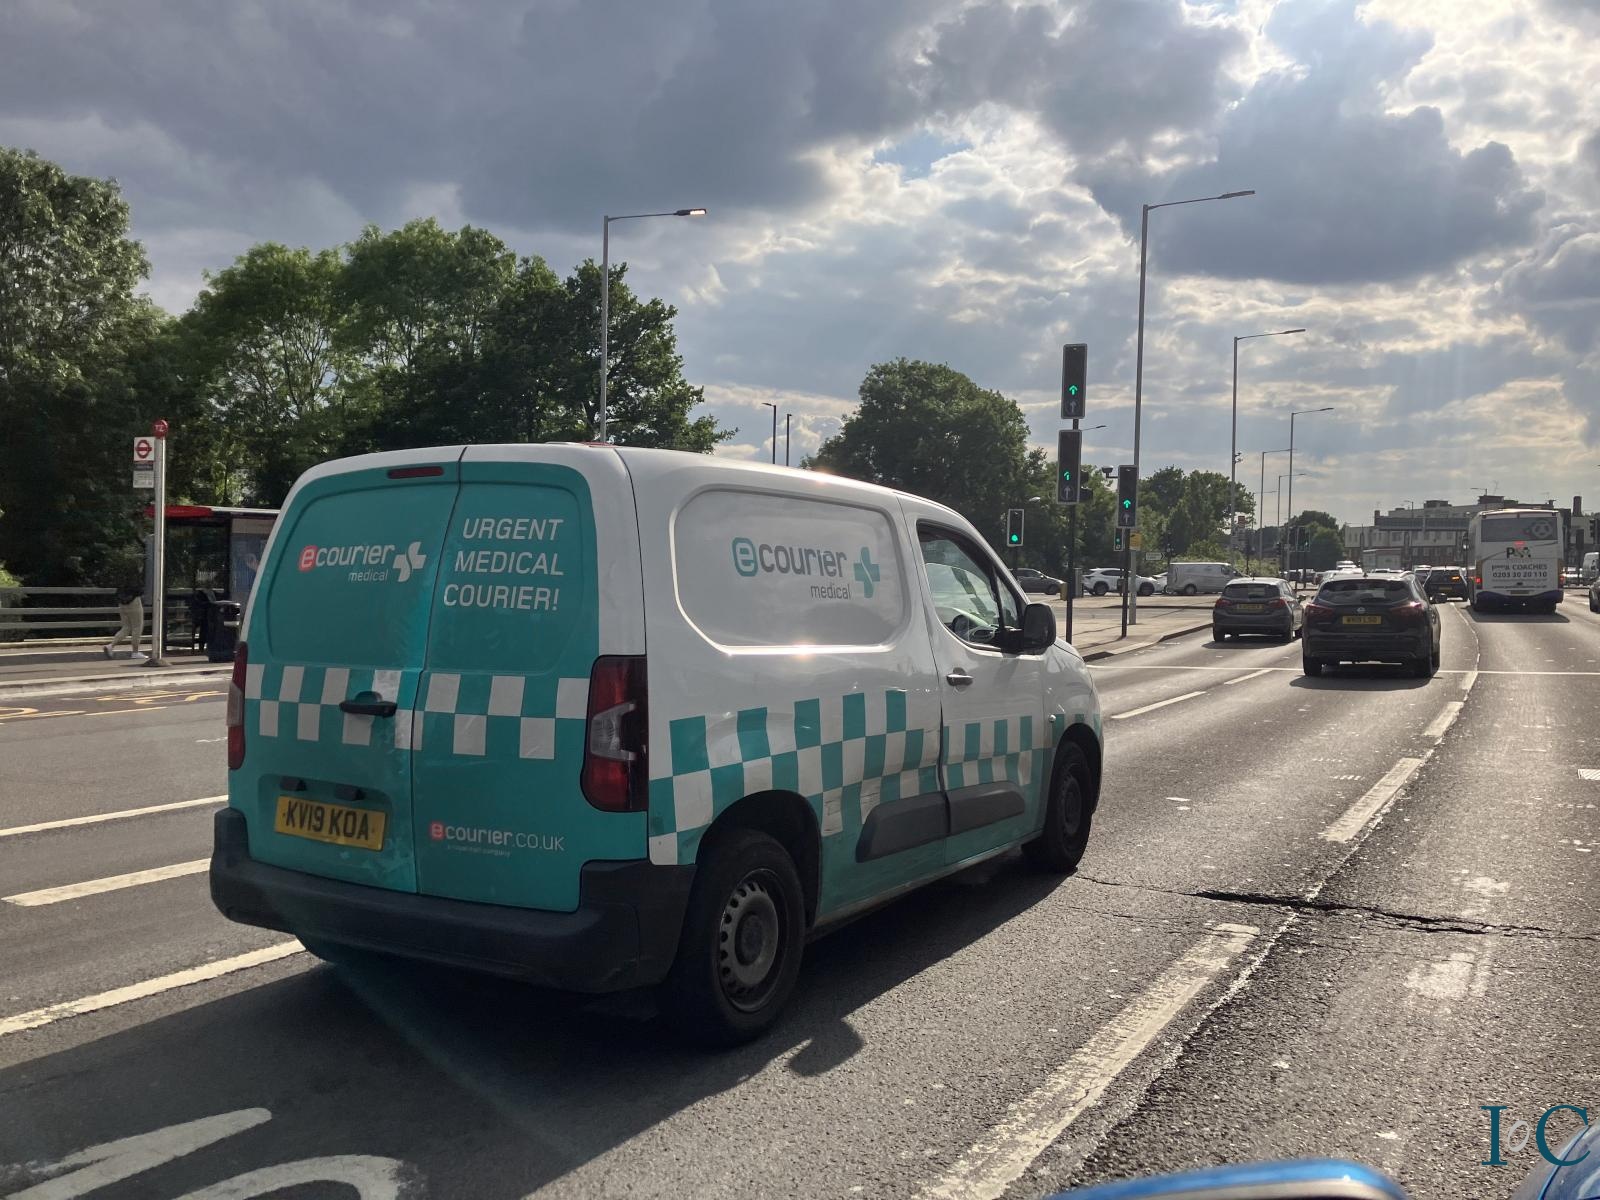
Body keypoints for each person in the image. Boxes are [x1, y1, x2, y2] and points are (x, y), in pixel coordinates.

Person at [104, 580, 146, 661]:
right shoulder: (135, 576)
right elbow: (138, 589)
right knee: (137, 627)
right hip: (134, 601)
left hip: (122, 602)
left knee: (126, 627)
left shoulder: (122, 577)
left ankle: (111, 645)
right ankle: (135, 652)